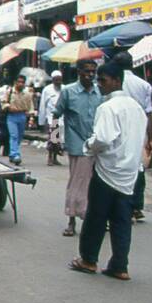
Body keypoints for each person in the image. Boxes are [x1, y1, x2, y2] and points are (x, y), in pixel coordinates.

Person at [70, 58, 147, 280]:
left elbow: (102, 138)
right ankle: (120, 265)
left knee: (96, 217)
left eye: (102, 80)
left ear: (116, 80)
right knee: (122, 221)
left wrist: (88, 146)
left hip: (107, 171)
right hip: (129, 172)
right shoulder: (137, 108)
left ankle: (88, 259)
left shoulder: (108, 107)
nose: (99, 84)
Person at [52, 58, 103, 237]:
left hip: (97, 144)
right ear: (79, 72)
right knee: (78, 183)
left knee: (95, 184)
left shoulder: (99, 92)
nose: (90, 75)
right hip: (78, 145)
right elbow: (56, 115)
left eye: (93, 72)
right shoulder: (68, 92)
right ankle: (72, 220)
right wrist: (54, 140)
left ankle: (93, 219)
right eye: (87, 71)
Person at [114, 50, 152, 222]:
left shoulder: (113, 82)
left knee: (118, 167)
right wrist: (150, 138)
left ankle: (124, 206)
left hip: (117, 129)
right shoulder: (144, 85)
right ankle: (136, 206)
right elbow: (149, 113)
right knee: (137, 167)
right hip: (138, 130)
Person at [4, 74, 34, 166]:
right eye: (19, 82)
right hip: (11, 116)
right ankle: (15, 154)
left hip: (22, 116)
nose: (21, 84)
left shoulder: (27, 94)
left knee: (19, 136)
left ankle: (12, 154)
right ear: (15, 82)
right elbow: (3, 103)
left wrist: (31, 118)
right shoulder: (9, 92)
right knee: (14, 135)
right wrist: (8, 107)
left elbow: (30, 107)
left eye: (23, 82)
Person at [38, 70, 65, 165]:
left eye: (60, 80)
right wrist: (41, 121)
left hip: (63, 120)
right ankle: (50, 157)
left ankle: (55, 158)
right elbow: (42, 105)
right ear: (53, 80)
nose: (58, 82)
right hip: (52, 119)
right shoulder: (47, 90)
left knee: (59, 140)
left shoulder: (65, 89)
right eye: (56, 80)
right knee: (53, 139)